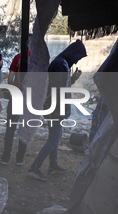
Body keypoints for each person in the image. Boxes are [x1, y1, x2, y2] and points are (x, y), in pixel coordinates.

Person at [27, 39, 87, 181]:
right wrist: (61, 110)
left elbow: (62, 85)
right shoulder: (61, 63)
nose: (77, 61)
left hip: (55, 108)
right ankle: (34, 168)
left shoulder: (63, 63)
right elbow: (56, 89)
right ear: (73, 53)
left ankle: (53, 166)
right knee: (54, 139)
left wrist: (72, 79)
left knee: (54, 138)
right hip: (55, 109)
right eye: (78, 57)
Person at [0, 49, 31, 166]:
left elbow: (10, 79)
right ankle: (20, 159)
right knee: (25, 129)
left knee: (10, 129)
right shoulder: (38, 60)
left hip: (16, 98)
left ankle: (6, 157)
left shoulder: (18, 57)